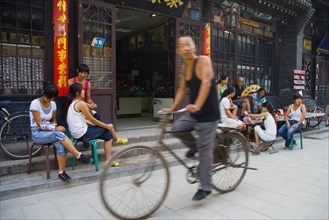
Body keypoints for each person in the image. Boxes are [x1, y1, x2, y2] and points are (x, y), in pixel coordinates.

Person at [162, 36, 220, 201]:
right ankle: (195, 147)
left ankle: (206, 187)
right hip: (194, 112)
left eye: (188, 44)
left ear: (194, 46)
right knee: (176, 128)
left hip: (208, 114)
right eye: (182, 46)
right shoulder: (184, 68)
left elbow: (207, 82)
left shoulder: (203, 60)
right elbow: (181, 90)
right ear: (178, 51)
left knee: (204, 151)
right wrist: (172, 109)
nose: (186, 48)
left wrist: (198, 104)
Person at [30, 84, 92, 182]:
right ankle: (78, 155)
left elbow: (54, 121)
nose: (49, 101)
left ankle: (61, 173)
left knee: (62, 145)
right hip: (38, 134)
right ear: (43, 93)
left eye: (52, 99)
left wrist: (55, 127)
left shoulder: (53, 104)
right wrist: (55, 128)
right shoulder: (35, 104)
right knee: (60, 134)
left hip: (51, 132)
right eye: (48, 98)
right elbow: (40, 125)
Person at [67, 83, 128, 165]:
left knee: (108, 135)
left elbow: (84, 120)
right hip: (83, 134)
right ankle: (116, 140)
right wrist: (106, 126)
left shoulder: (74, 103)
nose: (84, 91)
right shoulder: (80, 103)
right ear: (78, 93)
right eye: (82, 90)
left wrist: (100, 126)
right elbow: (92, 119)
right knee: (108, 124)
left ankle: (109, 160)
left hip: (77, 134)